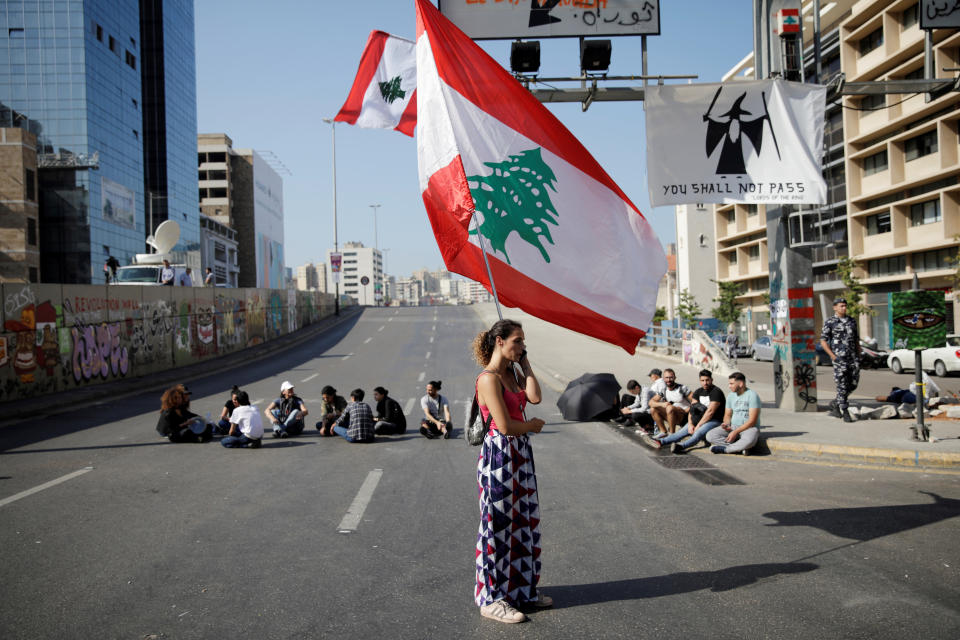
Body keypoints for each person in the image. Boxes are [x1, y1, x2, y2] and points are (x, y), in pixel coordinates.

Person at [472, 319, 549, 624]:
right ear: (500, 341)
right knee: (497, 525)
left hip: (519, 454)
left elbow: (535, 397)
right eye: (518, 341)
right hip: (499, 455)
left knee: (523, 524)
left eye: (523, 342)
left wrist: (525, 362)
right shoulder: (488, 379)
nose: (522, 346)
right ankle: (491, 598)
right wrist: (530, 426)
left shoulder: (512, 373)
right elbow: (503, 426)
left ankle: (521, 589)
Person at [646, 369, 726, 454]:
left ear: (711, 380)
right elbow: (692, 409)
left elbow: (710, 412)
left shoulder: (716, 392)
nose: (705, 383)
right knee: (681, 433)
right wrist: (691, 423)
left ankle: (681, 446)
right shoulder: (698, 392)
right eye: (702, 380)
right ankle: (661, 442)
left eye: (707, 380)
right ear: (700, 381)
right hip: (698, 420)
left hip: (714, 420)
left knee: (698, 432)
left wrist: (698, 425)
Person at [821, 297, 860, 423]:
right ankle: (845, 411)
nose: (844, 308)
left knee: (853, 384)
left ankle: (836, 403)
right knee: (842, 384)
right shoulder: (830, 322)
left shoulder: (852, 321)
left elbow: (856, 339)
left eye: (845, 305)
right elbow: (823, 341)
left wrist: (859, 354)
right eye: (841, 306)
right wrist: (832, 356)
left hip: (853, 358)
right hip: (839, 359)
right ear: (835, 307)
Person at [706, 372, 761, 455]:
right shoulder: (730, 396)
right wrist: (727, 424)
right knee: (710, 435)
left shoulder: (752, 395)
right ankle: (739, 448)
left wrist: (736, 432)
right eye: (729, 383)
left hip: (749, 428)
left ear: (741, 384)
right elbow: (727, 415)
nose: (729, 386)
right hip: (733, 426)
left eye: (732, 383)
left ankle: (725, 449)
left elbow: (752, 421)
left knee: (750, 441)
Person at [649, 368, 693, 436]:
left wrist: (686, 411)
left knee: (669, 408)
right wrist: (662, 404)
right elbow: (651, 402)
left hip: (684, 416)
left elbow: (696, 401)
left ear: (675, 378)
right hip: (672, 415)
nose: (668, 380)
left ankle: (672, 434)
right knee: (653, 409)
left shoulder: (682, 388)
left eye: (671, 378)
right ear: (663, 378)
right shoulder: (663, 390)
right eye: (666, 378)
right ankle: (663, 432)